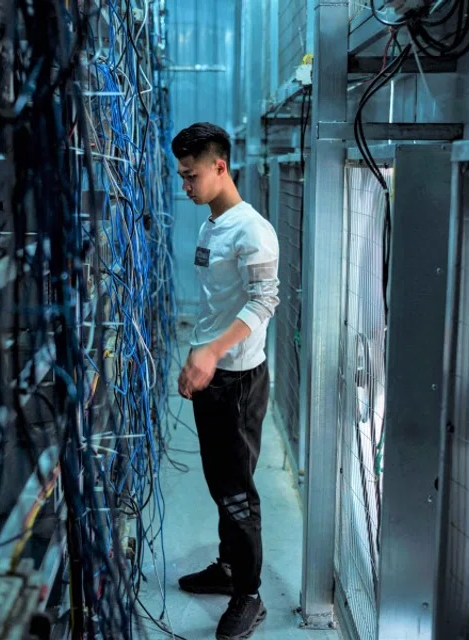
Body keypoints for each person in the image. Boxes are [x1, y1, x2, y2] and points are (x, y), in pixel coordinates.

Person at [171, 122, 280, 640]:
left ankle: (249, 595)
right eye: (182, 177)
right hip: (213, 373)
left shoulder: (252, 230)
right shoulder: (211, 225)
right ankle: (229, 566)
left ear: (220, 166)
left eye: (192, 176)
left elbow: (264, 301)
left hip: (237, 380)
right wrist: (199, 351)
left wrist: (211, 352)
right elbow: (217, 305)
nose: (185, 186)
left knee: (237, 491)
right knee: (220, 482)